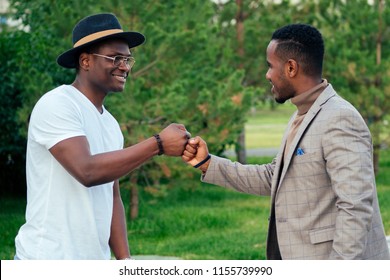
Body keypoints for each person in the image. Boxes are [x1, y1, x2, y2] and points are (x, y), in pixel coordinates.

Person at [183, 23, 390, 260]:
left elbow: (355, 206)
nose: (267, 74)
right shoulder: (302, 114)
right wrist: (208, 163)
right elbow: (275, 178)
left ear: (291, 67)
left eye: (271, 66)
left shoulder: (339, 118)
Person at [14, 13, 190, 260]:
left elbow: (112, 195)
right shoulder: (57, 104)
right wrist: (158, 144)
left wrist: (124, 261)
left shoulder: (110, 123)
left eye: (128, 59)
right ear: (85, 61)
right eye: (115, 58)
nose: (125, 66)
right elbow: (87, 171)